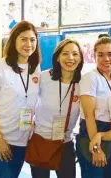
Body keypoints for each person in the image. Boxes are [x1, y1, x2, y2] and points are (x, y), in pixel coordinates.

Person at [0, 21, 41, 178]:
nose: (28, 44)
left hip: (21, 139)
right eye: (23, 39)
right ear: (14, 40)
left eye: (32, 39)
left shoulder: (35, 68)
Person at [29, 39, 84, 178]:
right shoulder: (44, 77)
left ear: (80, 58)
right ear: (58, 57)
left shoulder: (83, 83)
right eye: (65, 53)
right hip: (41, 140)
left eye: (75, 54)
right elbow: (26, 100)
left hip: (65, 143)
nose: (70, 58)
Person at [76, 37, 111, 178]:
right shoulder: (90, 78)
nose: (106, 59)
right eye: (100, 55)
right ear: (94, 56)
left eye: (110, 54)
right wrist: (96, 149)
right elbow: (89, 116)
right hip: (92, 133)